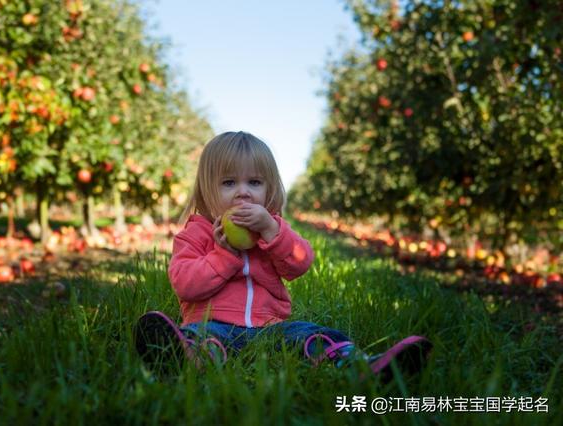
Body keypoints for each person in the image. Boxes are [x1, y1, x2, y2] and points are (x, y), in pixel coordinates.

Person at [133, 131, 431, 380]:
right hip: (213, 323)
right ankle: (183, 357)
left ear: (269, 188)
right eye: (228, 183)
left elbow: (300, 263)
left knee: (312, 335)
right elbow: (185, 285)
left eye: (254, 183)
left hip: (269, 328)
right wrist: (224, 256)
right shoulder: (195, 235)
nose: (243, 193)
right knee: (200, 337)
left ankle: (363, 366)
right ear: (205, 189)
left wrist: (272, 233)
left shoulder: (272, 229)